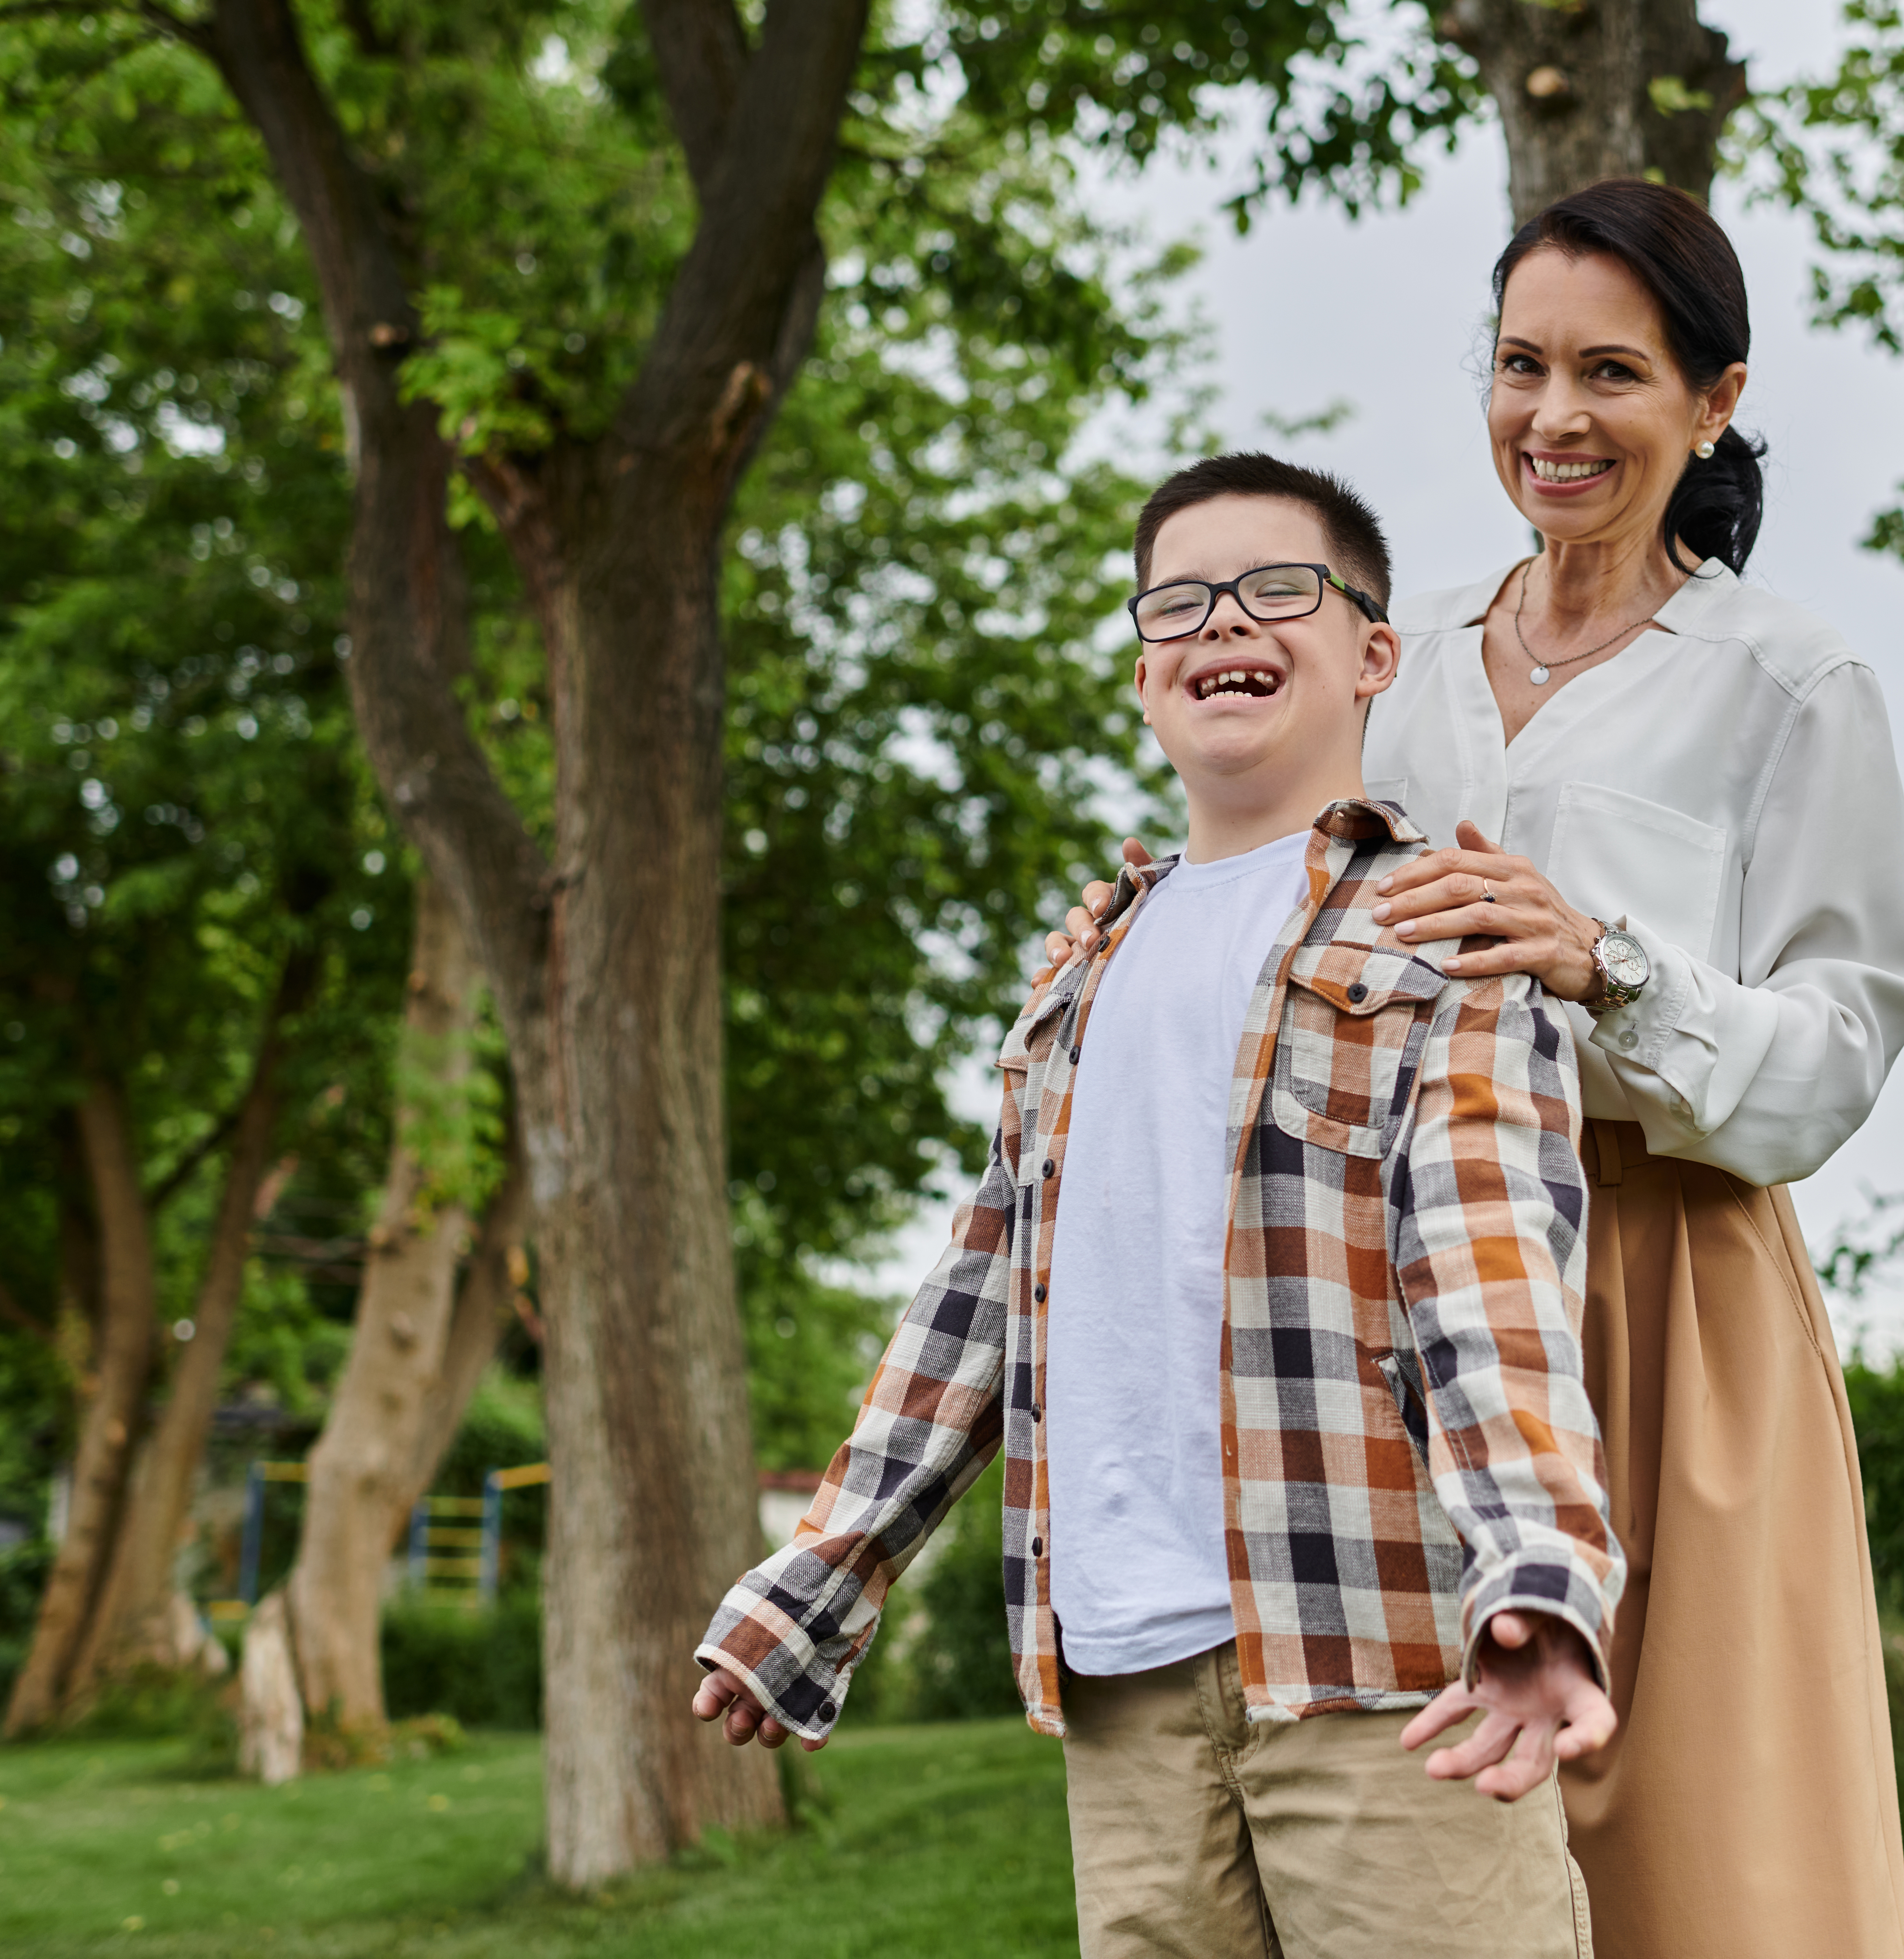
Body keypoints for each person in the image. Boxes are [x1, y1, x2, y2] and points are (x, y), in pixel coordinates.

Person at [1044, 184, 1904, 1957]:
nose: (1556, 417)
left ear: (1716, 398)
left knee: (1704, 1841)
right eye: (1522, 366)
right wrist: (1139, 918)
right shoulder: (1401, 648)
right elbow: (1272, 864)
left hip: (1665, 1293)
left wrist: (1606, 965)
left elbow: (1842, 1051)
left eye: (1613, 372)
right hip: (1382, 1310)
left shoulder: (1791, 679)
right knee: (1413, 1835)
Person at [693, 452, 1625, 1959]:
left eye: (1277, 589)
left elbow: (1492, 1283)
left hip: (1377, 1669)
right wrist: (822, 1574)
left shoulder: (1435, 935)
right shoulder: (1078, 974)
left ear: (1374, 651)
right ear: (1143, 671)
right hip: (1121, 1678)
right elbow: (980, 1301)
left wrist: (1538, 1572)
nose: (1222, 624)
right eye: (1179, 600)